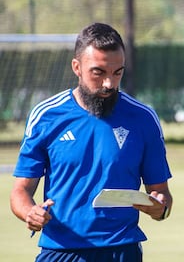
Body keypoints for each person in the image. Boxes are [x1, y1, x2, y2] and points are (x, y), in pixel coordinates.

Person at [10, 22, 173, 262]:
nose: (109, 83)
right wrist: (29, 213)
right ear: (77, 67)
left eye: (117, 72)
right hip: (60, 250)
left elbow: (162, 195)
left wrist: (160, 209)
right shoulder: (46, 116)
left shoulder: (144, 118)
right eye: (99, 72)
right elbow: (20, 191)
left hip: (121, 251)